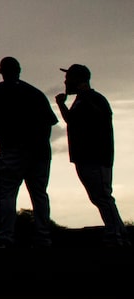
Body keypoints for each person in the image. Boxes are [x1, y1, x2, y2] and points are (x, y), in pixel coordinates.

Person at [0, 56, 57, 248]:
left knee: (6, 193)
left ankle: (5, 236)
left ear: (1, 71)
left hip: (13, 149)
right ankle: (43, 236)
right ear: (19, 70)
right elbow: (49, 122)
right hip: (39, 150)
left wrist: (4, 140)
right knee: (39, 193)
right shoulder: (35, 93)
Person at [55, 64, 125, 247]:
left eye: (68, 78)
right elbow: (72, 121)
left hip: (96, 157)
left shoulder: (93, 98)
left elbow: (100, 120)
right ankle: (116, 232)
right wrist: (61, 105)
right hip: (86, 157)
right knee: (99, 196)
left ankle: (116, 234)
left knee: (102, 196)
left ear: (78, 80)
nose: (65, 81)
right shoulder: (82, 99)